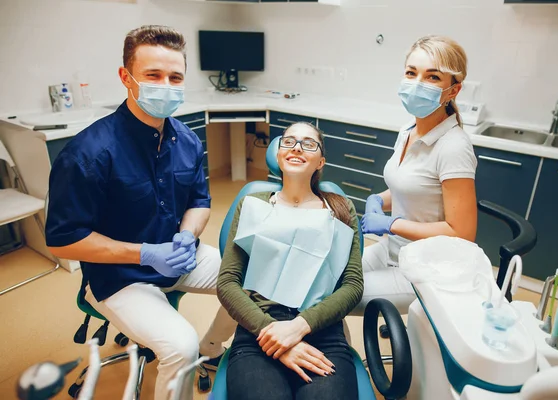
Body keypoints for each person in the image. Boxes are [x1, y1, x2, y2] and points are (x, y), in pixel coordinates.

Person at [45, 25, 236, 400]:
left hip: (179, 255)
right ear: (126, 78)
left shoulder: (188, 140)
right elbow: (64, 241)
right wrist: (146, 253)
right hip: (118, 276)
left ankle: (211, 349)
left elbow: (199, 201)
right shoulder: (88, 153)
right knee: (179, 346)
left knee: (251, 282)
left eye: (175, 77)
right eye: (153, 75)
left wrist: (188, 236)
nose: (166, 85)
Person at [217, 122, 364, 400]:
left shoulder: (340, 209)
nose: (297, 147)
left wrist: (299, 326)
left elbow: (353, 284)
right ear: (279, 153)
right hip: (258, 331)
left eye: (309, 143)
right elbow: (227, 283)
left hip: (321, 330)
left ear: (320, 161)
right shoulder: (253, 204)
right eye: (289, 141)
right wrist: (273, 335)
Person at [358, 35, 478, 314]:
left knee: (335, 297)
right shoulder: (409, 131)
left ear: (453, 90)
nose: (417, 83)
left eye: (432, 77)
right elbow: (411, 187)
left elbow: (461, 233)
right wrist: (379, 198)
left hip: (425, 269)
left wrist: (390, 224)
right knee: (329, 276)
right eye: (412, 73)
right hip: (392, 250)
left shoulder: (453, 147)